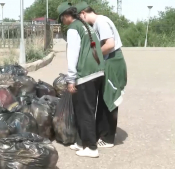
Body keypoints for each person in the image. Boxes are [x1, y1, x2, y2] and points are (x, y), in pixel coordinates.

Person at [75, 2, 127, 148]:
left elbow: (109, 44)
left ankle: (108, 138)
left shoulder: (101, 22)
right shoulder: (100, 21)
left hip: (112, 62)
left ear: (83, 13)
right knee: (104, 99)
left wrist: (93, 57)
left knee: (108, 99)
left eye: (80, 18)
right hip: (109, 61)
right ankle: (104, 132)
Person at [57, 2, 105, 158]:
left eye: (62, 19)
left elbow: (73, 55)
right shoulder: (85, 25)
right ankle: (80, 141)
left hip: (86, 75)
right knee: (86, 109)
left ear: (65, 16)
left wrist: (71, 79)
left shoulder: (73, 29)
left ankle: (91, 148)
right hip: (97, 72)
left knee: (85, 112)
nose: (63, 22)